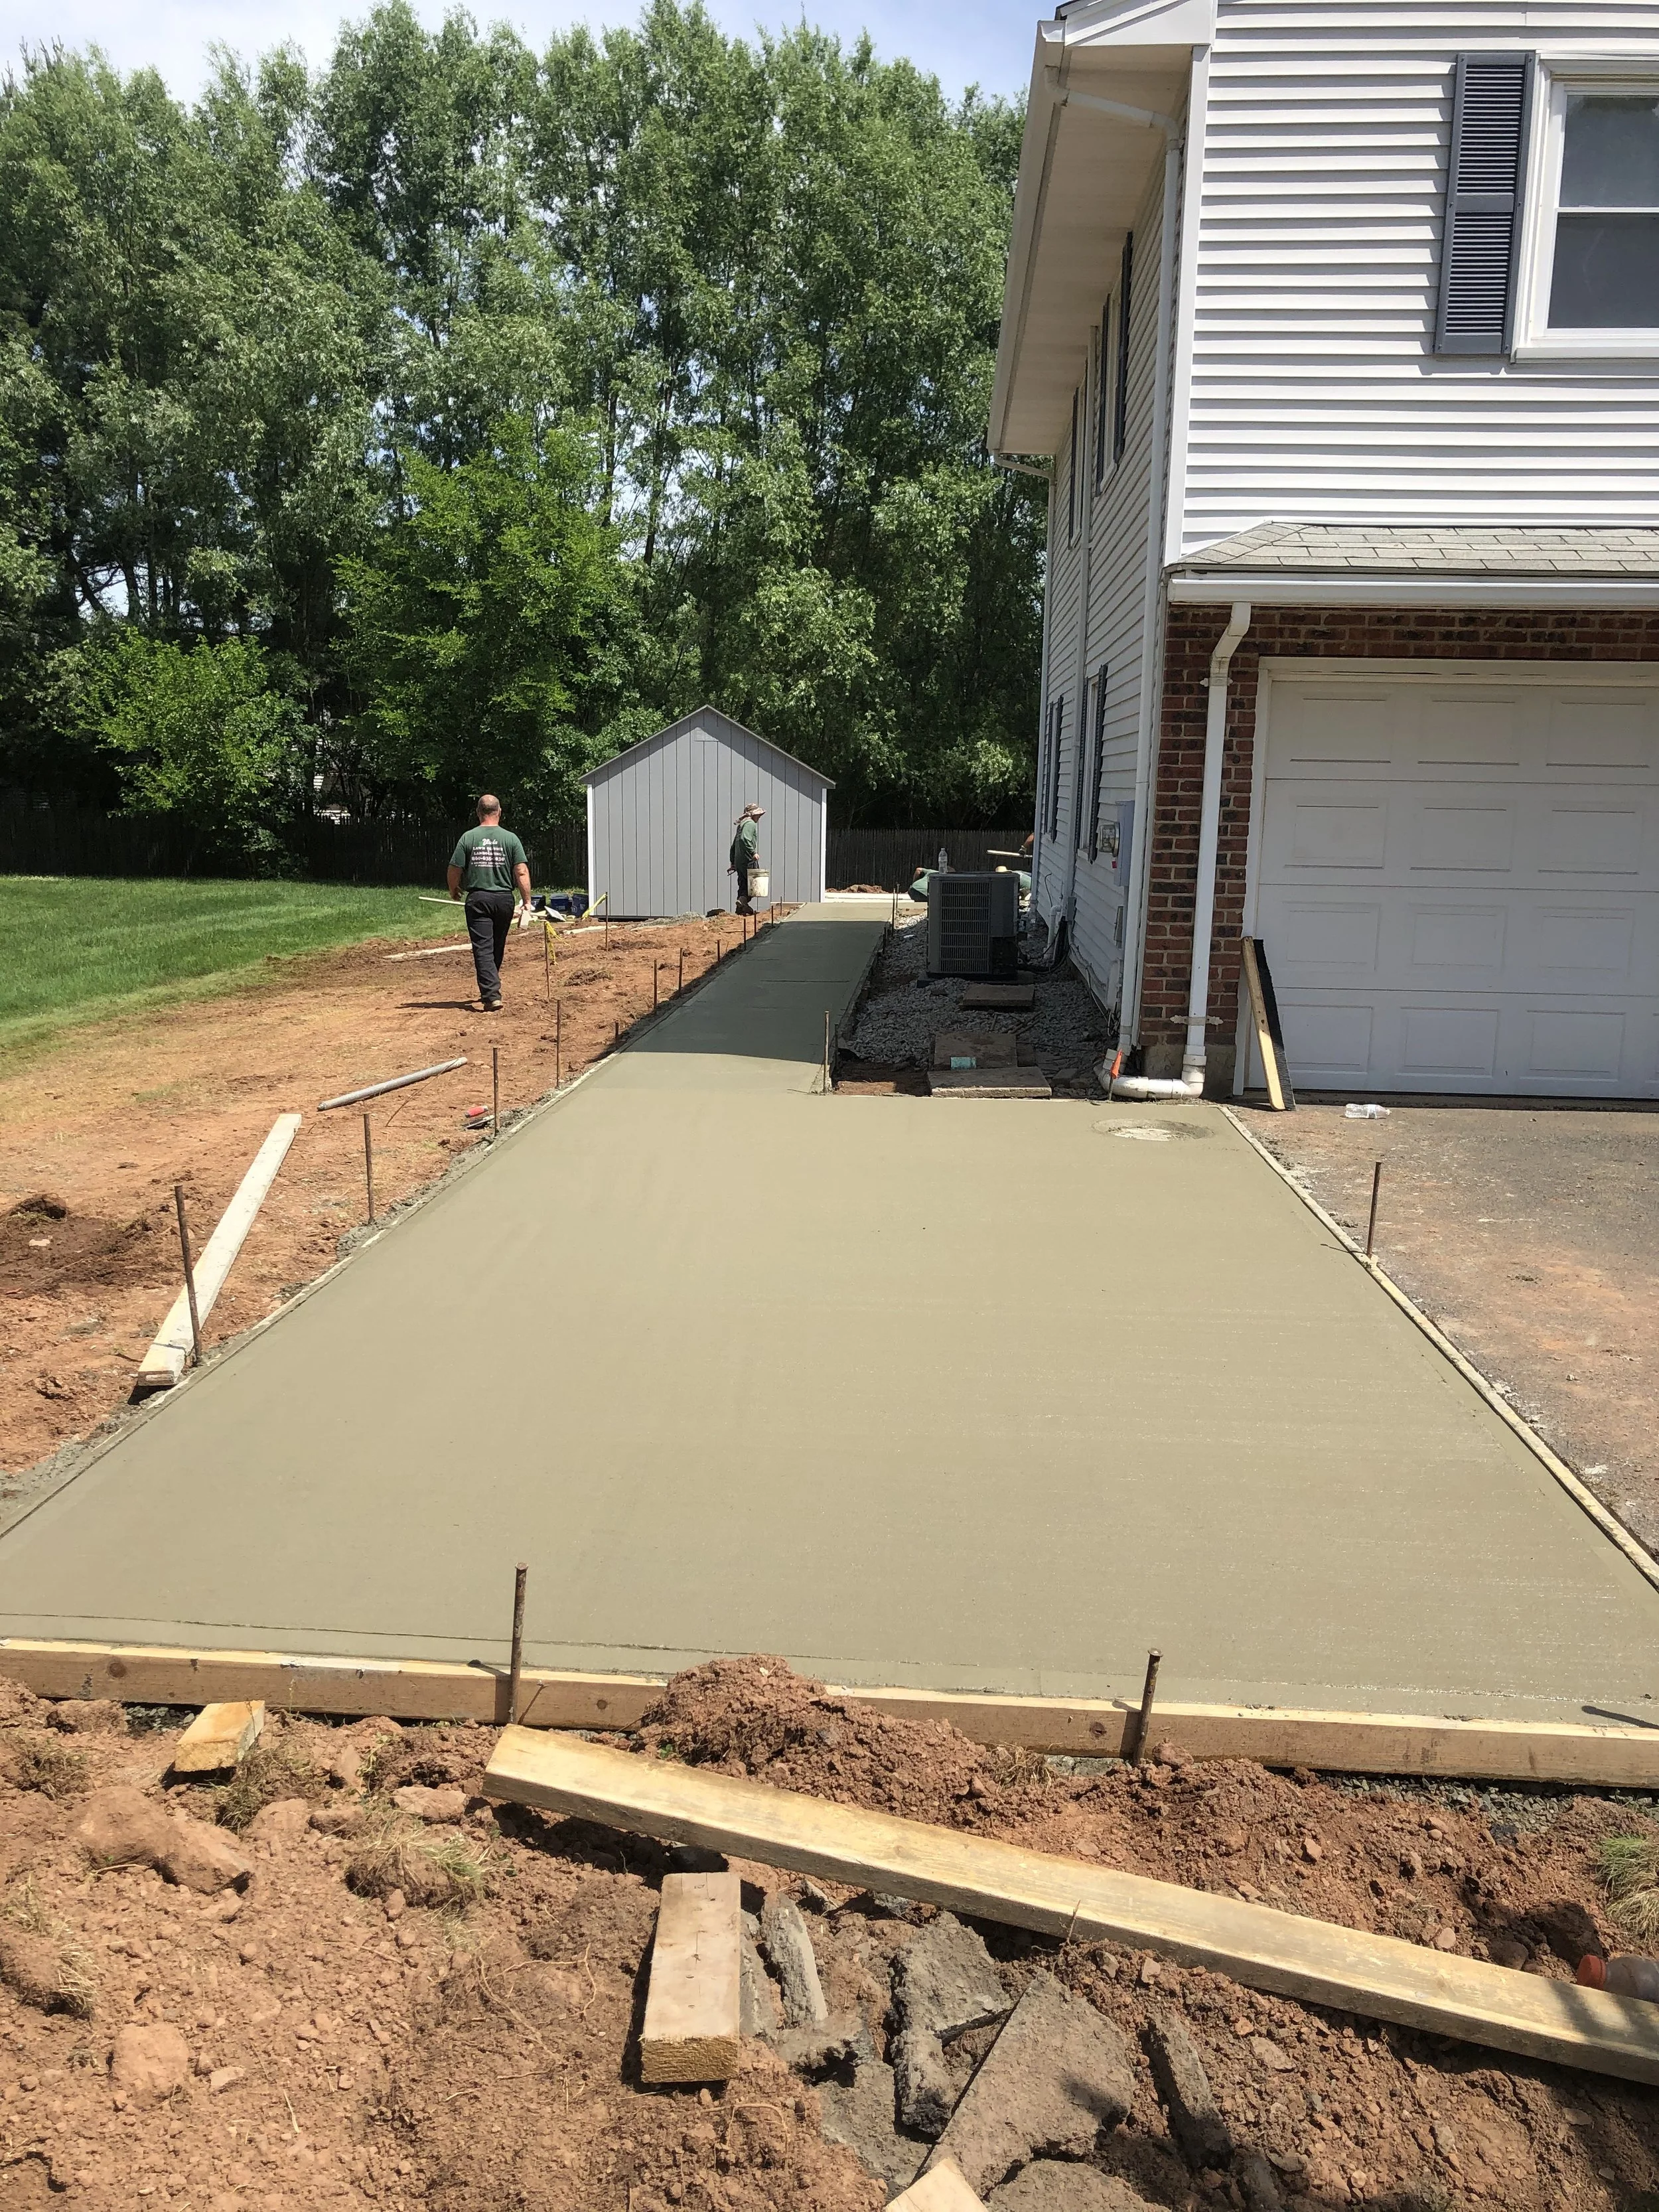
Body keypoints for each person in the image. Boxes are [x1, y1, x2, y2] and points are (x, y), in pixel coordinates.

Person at [447, 794, 532, 1011]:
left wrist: (454, 888)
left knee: (483, 947)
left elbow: (455, 868)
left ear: (478, 812)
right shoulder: (511, 839)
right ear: (499, 811)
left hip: (479, 900)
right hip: (504, 899)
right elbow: (521, 871)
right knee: (496, 944)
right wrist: (527, 900)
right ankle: (491, 989)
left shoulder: (468, 838)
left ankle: (492, 993)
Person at [729, 802, 764, 913]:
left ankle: (741, 909)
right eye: (758, 815)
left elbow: (734, 846)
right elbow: (745, 839)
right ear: (753, 814)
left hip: (739, 861)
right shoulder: (750, 824)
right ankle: (743, 900)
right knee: (755, 885)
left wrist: (733, 862)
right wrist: (753, 852)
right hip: (748, 859)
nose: (759, 817)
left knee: (743, 884)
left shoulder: (741, 825)